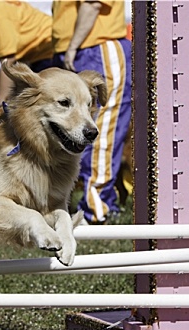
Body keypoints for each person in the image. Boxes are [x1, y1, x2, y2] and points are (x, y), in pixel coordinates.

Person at [52, 0, 131, 224]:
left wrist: (72, 46)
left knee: (103, 129)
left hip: (96, 47)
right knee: (68, 133)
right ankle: (67, 204)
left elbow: (93, 4)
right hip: (77, 48)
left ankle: (97, 208)